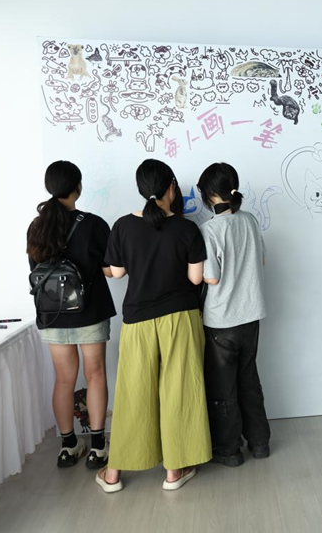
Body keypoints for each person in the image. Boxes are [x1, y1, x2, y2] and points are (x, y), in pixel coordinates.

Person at [96, 159, 211, 493]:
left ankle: (113, 474)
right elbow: (196, 278)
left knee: (133, 393)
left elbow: (117, 272)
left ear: (141, 190)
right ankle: (174, 471)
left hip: (138, 322)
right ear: (171, 188)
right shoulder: (187, 229)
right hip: (181, 317)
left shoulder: (122, 226)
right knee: (180, 389)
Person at [26, 160, 116, 469]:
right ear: (77, 187)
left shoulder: (36, 227)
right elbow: (109, 269)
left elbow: (35, 271)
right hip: (89, 311)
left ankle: (68, 446)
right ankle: (98, 448)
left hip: (52, 314)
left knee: (64, 379)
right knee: (96, 374)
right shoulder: (92, 224)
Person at [197, 163, 271, 467]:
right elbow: (261, 261)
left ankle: (229, 450)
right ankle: (260, 442)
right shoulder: (250, 220)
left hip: (222, 320)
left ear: (209, 195)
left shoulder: (210, 229)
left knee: (223, 388)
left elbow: (211, 278)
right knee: (249, 380)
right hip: (251, 315)